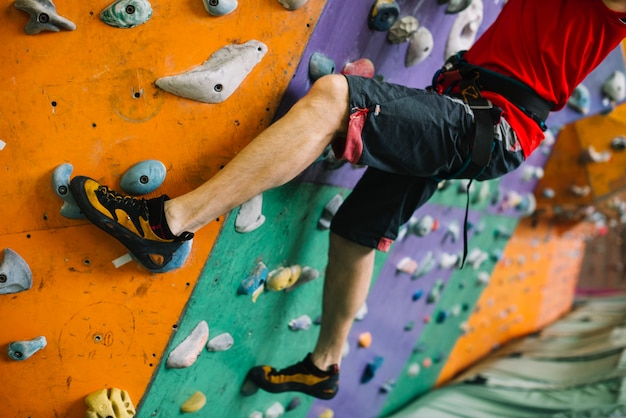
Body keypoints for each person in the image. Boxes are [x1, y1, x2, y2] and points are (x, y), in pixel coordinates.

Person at [69, 0, 626, 400]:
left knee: (336, 96)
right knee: (358, 231)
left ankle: (168, 224)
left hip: (489, 123)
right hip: (471, 112)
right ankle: (324, 365)